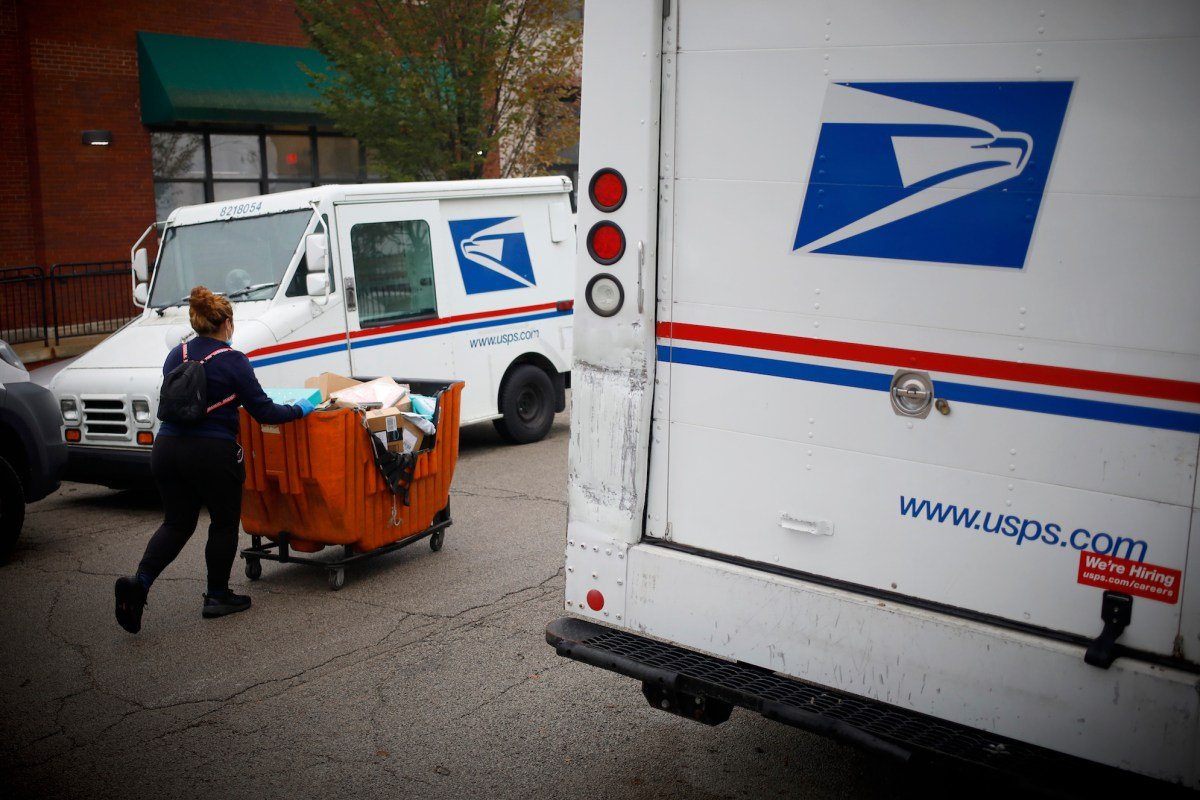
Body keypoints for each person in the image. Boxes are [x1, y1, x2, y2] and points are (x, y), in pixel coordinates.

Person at [114, 286, 315, 634]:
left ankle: (140, 583)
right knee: (223, 523)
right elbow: (264, 411)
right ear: (227, 323)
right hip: (211, 452)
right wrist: (300, 409)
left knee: (176, 524)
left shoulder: (176, 355)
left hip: (167, 449)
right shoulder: (233, 360)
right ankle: (218, 596)